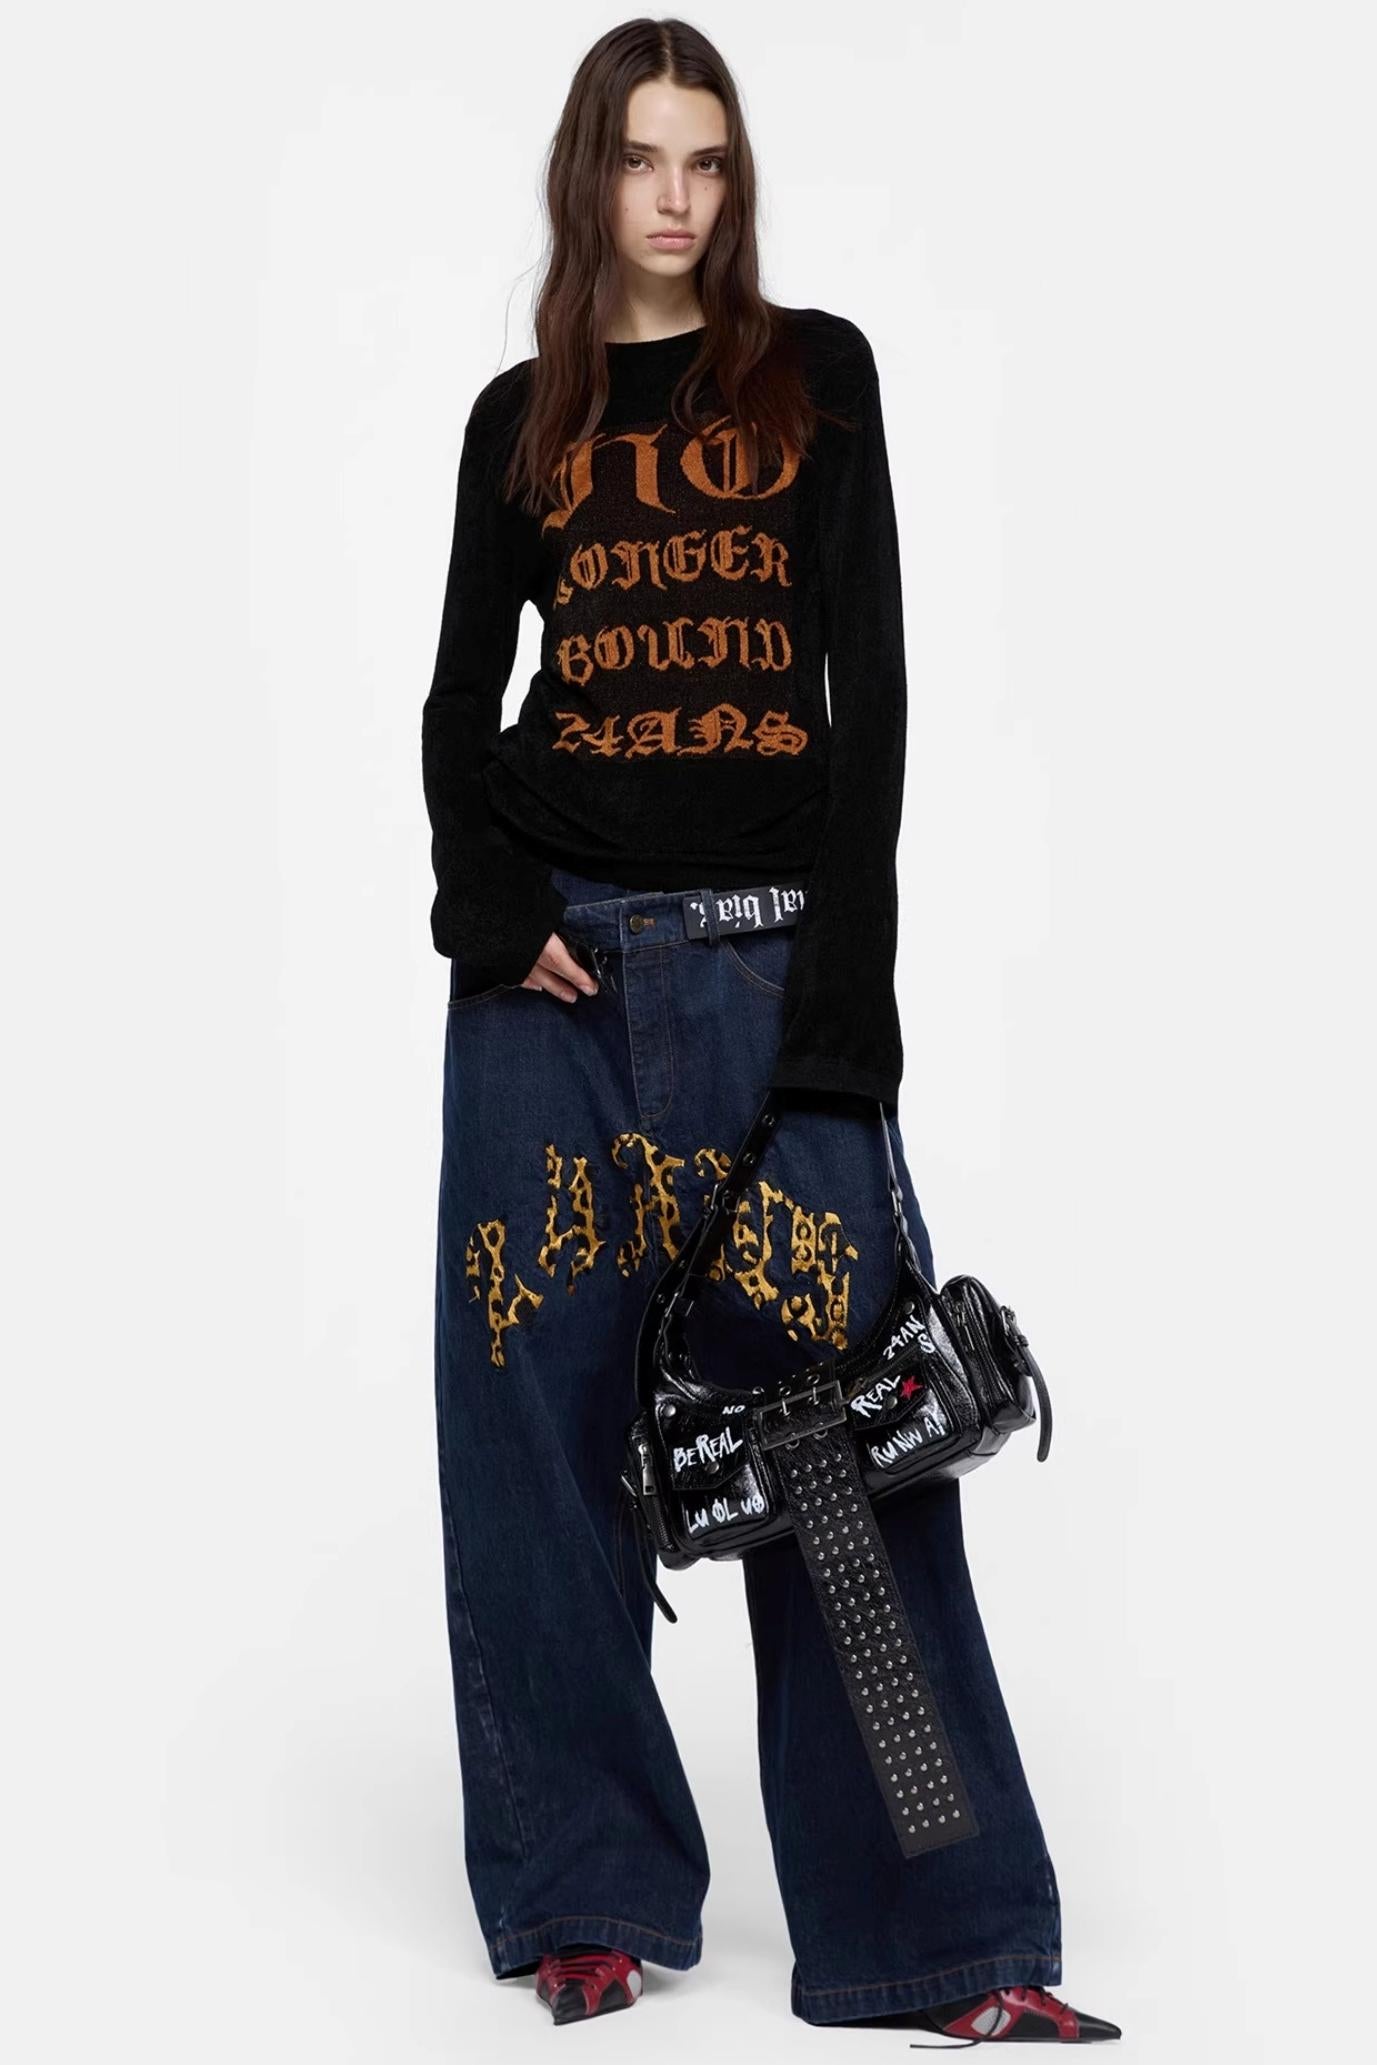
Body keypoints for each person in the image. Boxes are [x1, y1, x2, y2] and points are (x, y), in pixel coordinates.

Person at [421, 16, 1121, 2043]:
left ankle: (942, 1943)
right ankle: (580, 1898)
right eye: (641, 159)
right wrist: (490, 913)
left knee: (849, 1455)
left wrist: (842, 1022)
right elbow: (457, 704)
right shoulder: (519, 420)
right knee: (533, 1443)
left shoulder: (816, 379)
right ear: (589, 177)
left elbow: (865, 699)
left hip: (762, 966)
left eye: (707, 161)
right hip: (551, 992)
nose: (675, 197)